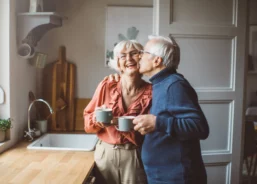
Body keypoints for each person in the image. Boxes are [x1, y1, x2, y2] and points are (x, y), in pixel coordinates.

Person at [131, 35, 209, 184]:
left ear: (157, 60)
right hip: (163, 175)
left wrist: (157, 123)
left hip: (177, 177)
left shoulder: (174, 85)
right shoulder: (160, 84)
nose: (139, 57)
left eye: (143, 52)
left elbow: (200, 127)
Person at [83, 40, 152, 184]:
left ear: (142, 58)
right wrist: (97, 120)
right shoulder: (106, 85)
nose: (129, 59)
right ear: (117, 63)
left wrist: (117, 121)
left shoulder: (152, 92)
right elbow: (87, 123)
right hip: (105, 155)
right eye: (123, 56)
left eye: (134, 54)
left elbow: (154, 130)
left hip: (135, 155)